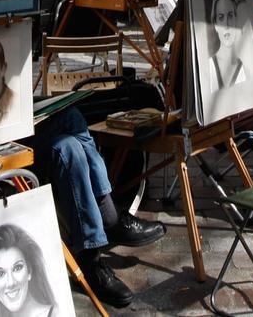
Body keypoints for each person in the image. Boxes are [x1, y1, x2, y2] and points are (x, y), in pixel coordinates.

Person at [30, 106, 163, 309]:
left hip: (19, 124)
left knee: (71, 129)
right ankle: (101, 234)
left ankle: (98, 238)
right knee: (68, 144)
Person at [0, 224, 56, 317]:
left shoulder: (57, 313)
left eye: (17, 268)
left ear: (29, 271)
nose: (11, 283)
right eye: (0, 274)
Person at [206, 0, 249, 88]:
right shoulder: (208, 67)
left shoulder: (246, 68)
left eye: (230, 16)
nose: (226, 24)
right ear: (215, 24)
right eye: (221, 18)